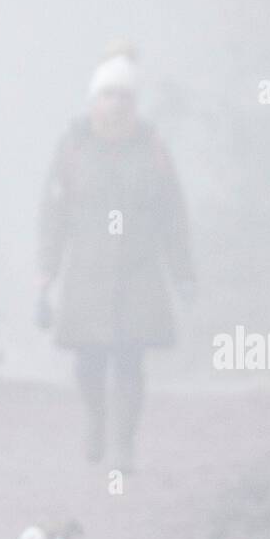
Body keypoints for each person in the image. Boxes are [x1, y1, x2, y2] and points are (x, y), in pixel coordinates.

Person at [37, 46, 194, 472]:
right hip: (86, 270)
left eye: (125, 97)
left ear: (134, 104)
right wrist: (44, 275)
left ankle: (123, 448)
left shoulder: (153, 149)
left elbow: (172, 215)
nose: (116, 105)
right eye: (109, 95)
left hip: (139, 273)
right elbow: (53, 215)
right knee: (88, 362)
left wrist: (184, 275)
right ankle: (96, 421)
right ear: (93, 101)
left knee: (129, 361)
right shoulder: (72, 148)